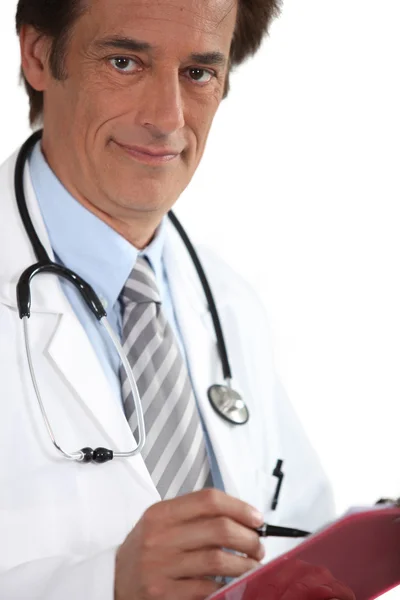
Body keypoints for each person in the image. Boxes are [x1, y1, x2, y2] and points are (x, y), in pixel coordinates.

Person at [0, 0, 353, 599]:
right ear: (38, 55)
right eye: (124, 62)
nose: (166, 119)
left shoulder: (229, 303)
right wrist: (101, 587)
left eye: (198, 73)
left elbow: (296, 522)